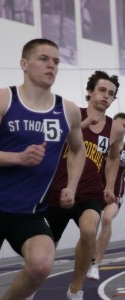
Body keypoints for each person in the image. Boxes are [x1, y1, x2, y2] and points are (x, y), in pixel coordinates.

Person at [0, 38, 86, 300]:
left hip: (30, 213)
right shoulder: (2, 98)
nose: (51, 65)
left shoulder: (67, 111)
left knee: (41, 265)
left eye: (56, 61)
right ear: (24, 64)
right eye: (44, 59)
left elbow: (78, 149)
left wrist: (71, 186)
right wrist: (18, 158)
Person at [46, 70, 124, 300]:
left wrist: (109, 185)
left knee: (89, 231)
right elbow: (53, 141)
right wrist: (82, 125)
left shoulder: (116, 128)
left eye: (111, 93)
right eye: (101, 90)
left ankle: (75, 290)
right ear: (90, 91)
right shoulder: (72, 115)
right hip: (59, 192)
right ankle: (30, 286)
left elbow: (112, 157)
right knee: (44, 253)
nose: (106, 96)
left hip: (90, 193)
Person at [87, 112, 125, 280]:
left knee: (107, 219)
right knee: (90, 227)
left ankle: (96, 264)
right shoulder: (100, 144)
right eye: (118, 124)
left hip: (115, 193)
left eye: (124, 126)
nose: (120, 128)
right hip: (94, 191)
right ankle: (87, 258)